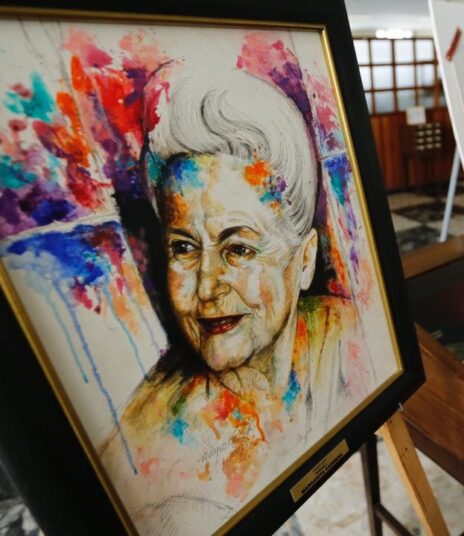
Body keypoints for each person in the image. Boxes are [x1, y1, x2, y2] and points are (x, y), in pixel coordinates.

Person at [100, 69, 373, 533]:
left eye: (239, 249)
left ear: (305, 260)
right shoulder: (156, 471)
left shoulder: (344, 335)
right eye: (183, 247)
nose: (207, 287)